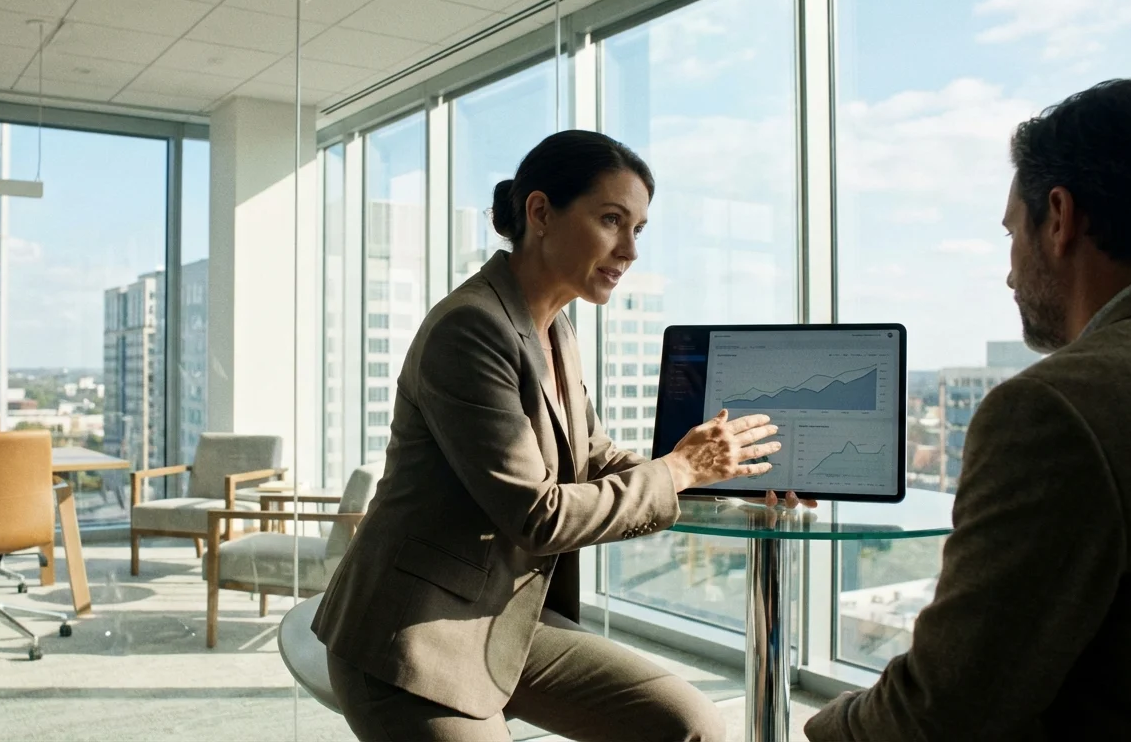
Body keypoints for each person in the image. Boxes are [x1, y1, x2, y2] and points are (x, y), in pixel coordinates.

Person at [312, 130, 796, 742]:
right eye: (611, 220)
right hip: (414, 639)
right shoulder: (470, 329)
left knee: (690, 725)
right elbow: (537, 515)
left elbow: (591, 458)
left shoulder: (555, 326)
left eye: (638, 229)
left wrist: (722, 477)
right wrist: (679, 471)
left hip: (505, 622)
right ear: (540, 212)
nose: (629, 251)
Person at [806, 78, 1131, 741]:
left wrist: (818, 726)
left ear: (1058, 217)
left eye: (1011, 233)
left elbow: (941, 714)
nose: (1008, 273)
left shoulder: (1056, 407)